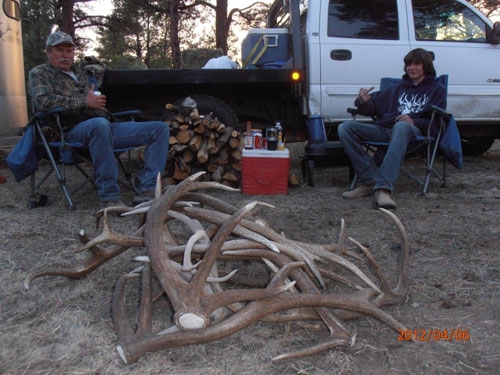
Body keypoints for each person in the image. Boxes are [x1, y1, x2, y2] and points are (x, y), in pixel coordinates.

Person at [28, 31, 170, 208]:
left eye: (69, 51)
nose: (65, 55)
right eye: (59, 50)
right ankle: (109, 197)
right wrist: (85, 102)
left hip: (103, 124)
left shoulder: (80, 74)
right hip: (69, 130)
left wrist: (96, 104)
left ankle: (147, 191)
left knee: (159, 129)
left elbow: (94, 104)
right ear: (49, 52)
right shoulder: (40, 73)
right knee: (99, 125)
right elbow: (43, 102)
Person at [338, 48, 446, 209]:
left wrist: (413, 121)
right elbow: (372, 108)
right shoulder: (398, 89)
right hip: (387, 131)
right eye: (409, 64)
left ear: (426, 66)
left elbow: (437, 123)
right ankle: (370, 180)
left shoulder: (437, 89)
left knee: (402, 125)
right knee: (345, 127)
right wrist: (363, 101)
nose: (411, 67)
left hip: (414, 134)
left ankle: (383, 189)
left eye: (417, 64)